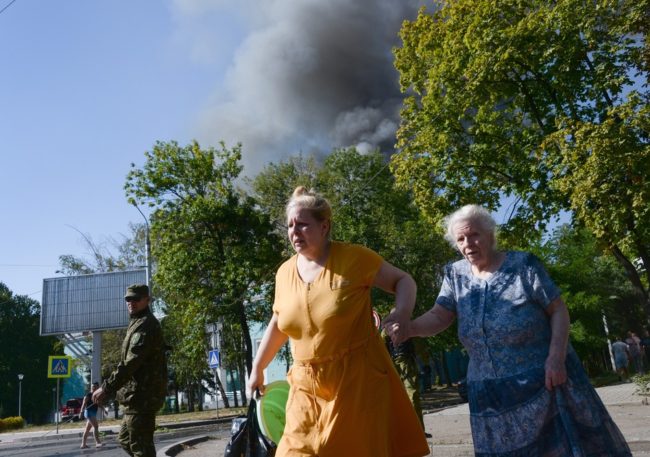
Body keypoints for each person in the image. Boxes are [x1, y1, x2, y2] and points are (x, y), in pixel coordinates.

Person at [385, 204, 631, 456]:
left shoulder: (523, 265)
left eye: (474, 235)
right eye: (460, 239)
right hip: (490, 394)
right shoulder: (454, 275)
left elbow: (558, 310)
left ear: (490, 235)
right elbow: (440, 315)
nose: (468, 243)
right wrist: (410, 328)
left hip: (542, 383)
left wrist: (556, 359)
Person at [247, 186, 429, 457]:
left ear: (324, 226)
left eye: (303, 225)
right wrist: (258, 367)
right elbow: (279, 320)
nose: (294, 232)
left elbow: (404, 281)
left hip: (357, 382)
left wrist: (401, 313)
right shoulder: (284, 273)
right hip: (304, 386)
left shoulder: (355, 258)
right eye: (290, 226)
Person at [93, 284, 167, 457]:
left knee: (141, 448)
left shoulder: (145, 325)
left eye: (136, 299)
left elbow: (131, 363)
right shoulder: (137, 322)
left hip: (143, 396)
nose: (131, 302)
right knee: (126, 439)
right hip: (136, 397)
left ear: (147, 300)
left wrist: (106, 387)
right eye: (128, 299)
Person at [79, 382, 104, 448]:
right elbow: (83, 404)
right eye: (93, 386)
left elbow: (98, 404)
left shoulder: (96, 395)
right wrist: (81, 412)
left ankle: (83, 444)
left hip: (92, 413)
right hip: (89, 412)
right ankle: (98, 442)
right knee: (96, 426)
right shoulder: (88, 395)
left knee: (87, 429)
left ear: (98, 388)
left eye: (95, 387)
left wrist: (104, 409)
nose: (93, 388)